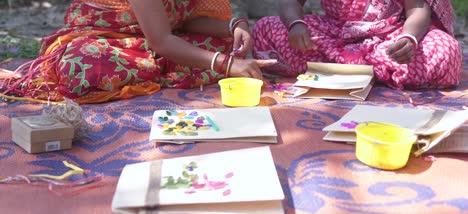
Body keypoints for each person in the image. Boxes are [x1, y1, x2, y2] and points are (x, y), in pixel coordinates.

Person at [1, 0, 276, 103]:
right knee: (85, 65)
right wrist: (226, 65)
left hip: (157, 36)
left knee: (228, 48)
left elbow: (184, 16)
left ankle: (167, 65)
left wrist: (232, 26)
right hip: (106, 36)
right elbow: (161, 40)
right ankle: (173, 64)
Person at [252, 0, 462, 90]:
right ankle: (375, 72)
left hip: (388, 37)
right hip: (333, 35)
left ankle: (340, 70)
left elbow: (417, 8)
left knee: (445, 50)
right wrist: (296, 25)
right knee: (265, 30)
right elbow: (291, 2)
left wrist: (409, 39)